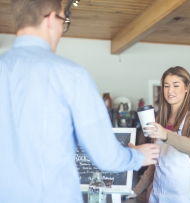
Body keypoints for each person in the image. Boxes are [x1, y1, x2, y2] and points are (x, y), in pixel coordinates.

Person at [0, 0, 159, 202]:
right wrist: (139, 156)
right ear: (51, 19)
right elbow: (106, 157)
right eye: (63, 21)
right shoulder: (70, 75)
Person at [127, 66, 190, 203]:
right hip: (159, 195)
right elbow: (154, 165)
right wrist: (133, 192)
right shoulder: (161, 119)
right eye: (166, 86)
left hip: (186, 196)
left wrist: (165, 134)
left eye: (176, 85)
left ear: (187, 87)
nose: (170, 90)